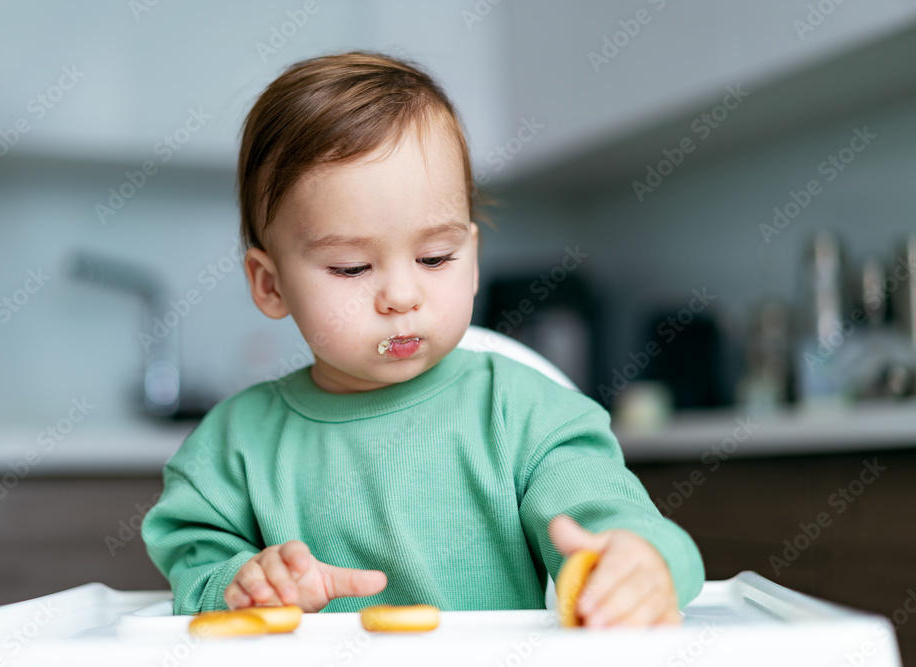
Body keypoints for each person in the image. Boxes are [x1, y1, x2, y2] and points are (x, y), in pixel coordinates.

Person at [141, 50, 705, 628]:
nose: (402, 296)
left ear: (474, 256)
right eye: (352, 268)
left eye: (436, 257)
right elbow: (196, 574)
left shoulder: (527, 415)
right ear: (270, 284)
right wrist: (244, 583)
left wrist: (642, 564)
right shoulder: (231, 450)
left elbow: (621, 523)